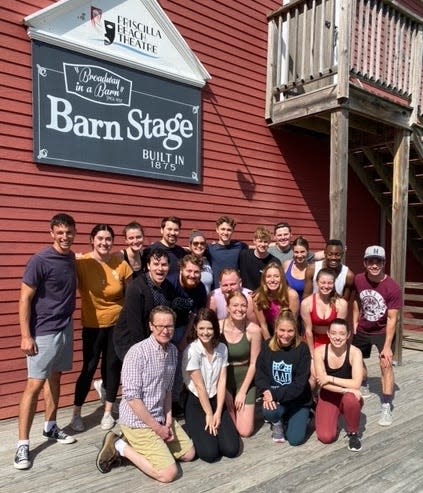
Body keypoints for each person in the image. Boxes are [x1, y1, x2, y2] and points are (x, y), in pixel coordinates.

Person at [96, 306, 195, 483]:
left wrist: (168, 420)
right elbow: (133, 399)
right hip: (137, 422)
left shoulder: (172, 351)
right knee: (168, 474)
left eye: (169, 326)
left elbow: (167, 391)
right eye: (160, 326)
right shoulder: (137, 353)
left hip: (159, 417)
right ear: (151, 326)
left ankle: (151, 445)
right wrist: (158, 429)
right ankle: (119, 445)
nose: (165, 330)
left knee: (189, 454)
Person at [14, 213, 77, 470]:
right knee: (34, 385)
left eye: (69, 232)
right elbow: (24, 299)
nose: (65, 237)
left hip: (65, 327)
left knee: (55, 377)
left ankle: (50, 426)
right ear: (52, 233)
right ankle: (22, 445)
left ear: (74, 233)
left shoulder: (71, 257)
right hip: (43, 332)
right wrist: (26, 335)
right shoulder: (39, 260)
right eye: (60, 233)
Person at [71, 224, 132, 433]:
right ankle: (76, 413)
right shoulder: (82, 262)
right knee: (88, 368)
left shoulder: (119, 262)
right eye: (100, 239)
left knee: (112, 367)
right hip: (93, 324)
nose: (104, 243)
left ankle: (107, 412)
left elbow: (130, 293)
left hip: (117, 323)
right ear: (92, 240)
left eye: (108, 239)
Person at [352, 245, 402, 426]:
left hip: (383, 331)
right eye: (370, 261)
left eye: (378, 261)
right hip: (363, 329)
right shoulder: (358, 279)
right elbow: (357, 300)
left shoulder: (392, 288)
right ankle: (364, 380)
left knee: (386, 364)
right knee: (357, 360)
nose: (374, 265)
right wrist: (355, 321)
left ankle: (387, 404)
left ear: (384, 263)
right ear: (365, 263)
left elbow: (392, 319)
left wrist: (388, 345)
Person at [182, 308, 240, 462]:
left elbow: (222, 381)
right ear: (195, 328)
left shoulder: (221, 348)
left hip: (216, 399)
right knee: (210, 454)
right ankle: (194, 427)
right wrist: (209, 414)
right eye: (201, 328)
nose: (206, 332)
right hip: (197, 401)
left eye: (209, 328)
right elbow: (200, 387)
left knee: (231, 449)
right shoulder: (192, 351)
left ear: (215, 328)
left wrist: (218, 412)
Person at [255, 310, 312, 446]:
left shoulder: (302, 349)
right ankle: (277, 423)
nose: (286, 335)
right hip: (277, 401)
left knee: (295, 440)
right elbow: (260, 374)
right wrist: (266, 391)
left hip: (299, 402)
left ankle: (304, 416)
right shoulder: (267, 346)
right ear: (275, 329)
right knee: (269, 410)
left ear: (295, 331)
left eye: (290, 331)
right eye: (282, 330)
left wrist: (273, 394)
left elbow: (300, 384)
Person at [113, 248, 177, 361]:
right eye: (156, 264)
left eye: (164, 264)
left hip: (156, 341)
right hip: (131, 342)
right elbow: (134, 325)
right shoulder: (136, 287)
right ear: (148, 266)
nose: (160, 268)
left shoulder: (169, 288)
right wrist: (145, 351)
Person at [314, 318, 364, 451]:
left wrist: (330, 378)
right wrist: (345, 389)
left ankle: (353, 433)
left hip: (348, 396)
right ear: (328, 334)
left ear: (348, 335)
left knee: (351, 399)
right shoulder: (319, 351)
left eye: (342, 334)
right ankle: (333, 414)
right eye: (334, 333)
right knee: (326, 437)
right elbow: (322, 383)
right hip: (328, 395)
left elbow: (357, 383)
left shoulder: (355, 352)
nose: (337, 337)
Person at [219, 291, 262, 437]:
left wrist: (243, 392)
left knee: (245, 431)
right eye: (235, 305)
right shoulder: (218, 328)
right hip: (224, 378)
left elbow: (254, 363)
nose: (240, 309)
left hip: (245, 378)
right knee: (232, 430)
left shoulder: (254, 330)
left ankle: (245, 409)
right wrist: (224, 391)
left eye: (243, 305)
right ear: (227, 307)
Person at [301, 268, 349, 359]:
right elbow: (308, 331)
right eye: (323, 282)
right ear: (317, 282)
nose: (326, 286)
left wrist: (335, 351)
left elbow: (340, 331)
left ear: (334, 283)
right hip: (313, 341)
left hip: (334, 341)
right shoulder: (307, 303)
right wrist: (312, 353)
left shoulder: (341, 304)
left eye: (330, 283)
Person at [253, 262, 300, 340]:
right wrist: (270, 345)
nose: (272, 280)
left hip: (288, 334)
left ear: (281, 278)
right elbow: (263, 325)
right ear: (264, 279)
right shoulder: (258, 297)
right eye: (268, 276)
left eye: (276, 276)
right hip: (269, 334)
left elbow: (292, 324)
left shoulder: (291, 295)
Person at [207, 216, 247, 289]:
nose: (225, 232)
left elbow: (253, 248)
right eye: (223, 229)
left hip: (234, 291)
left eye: (229, 230)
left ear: (233, 231)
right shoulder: (210, 249)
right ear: (217, 230)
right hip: (217, 291)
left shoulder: (240, 246)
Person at [143, 216, 186, 284]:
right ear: (162, 230)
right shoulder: (150, 250)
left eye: (176, 230)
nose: (173, 233)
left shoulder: (182, 253)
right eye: (169, 229)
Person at [239, 226, 281, 291]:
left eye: (265, 242)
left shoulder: (274, 261)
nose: (263, 244)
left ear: (269, 242)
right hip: (245, 295)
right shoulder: (244, 255)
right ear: (254, 241)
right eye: (260, 241)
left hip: (265, 296)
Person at [283, 236, 311, 301]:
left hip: (303, 308)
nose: (299, 255)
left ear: (307, 251)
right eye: (296, 252)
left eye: (302, 252)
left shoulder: (311, 269)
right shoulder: (286, 264)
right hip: (286, 307)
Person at [188, 230, 213, 294]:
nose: (199, 246)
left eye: (202, 243)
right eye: (195, 243)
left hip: (206, 302)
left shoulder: (208, 261)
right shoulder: (186, 262)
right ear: (190, 245)